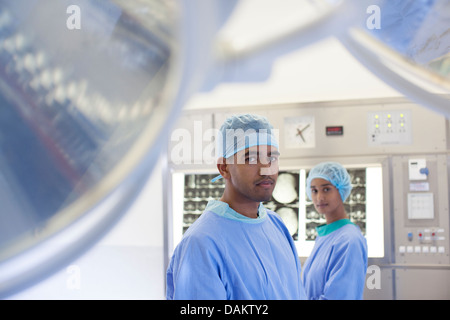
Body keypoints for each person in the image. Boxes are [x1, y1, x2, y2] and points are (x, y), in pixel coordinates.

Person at [166, 114, 306, 300]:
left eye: (272, 157)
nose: (266, 168)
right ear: (224, 167)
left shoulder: (276, 225)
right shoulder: (201, 244)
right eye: (251, 158)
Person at [301, 162, 368, 300]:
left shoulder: (348, 240)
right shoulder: (325, 236)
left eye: (326, 189)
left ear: (341, 189)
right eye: (314, 190)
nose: (319, 197)